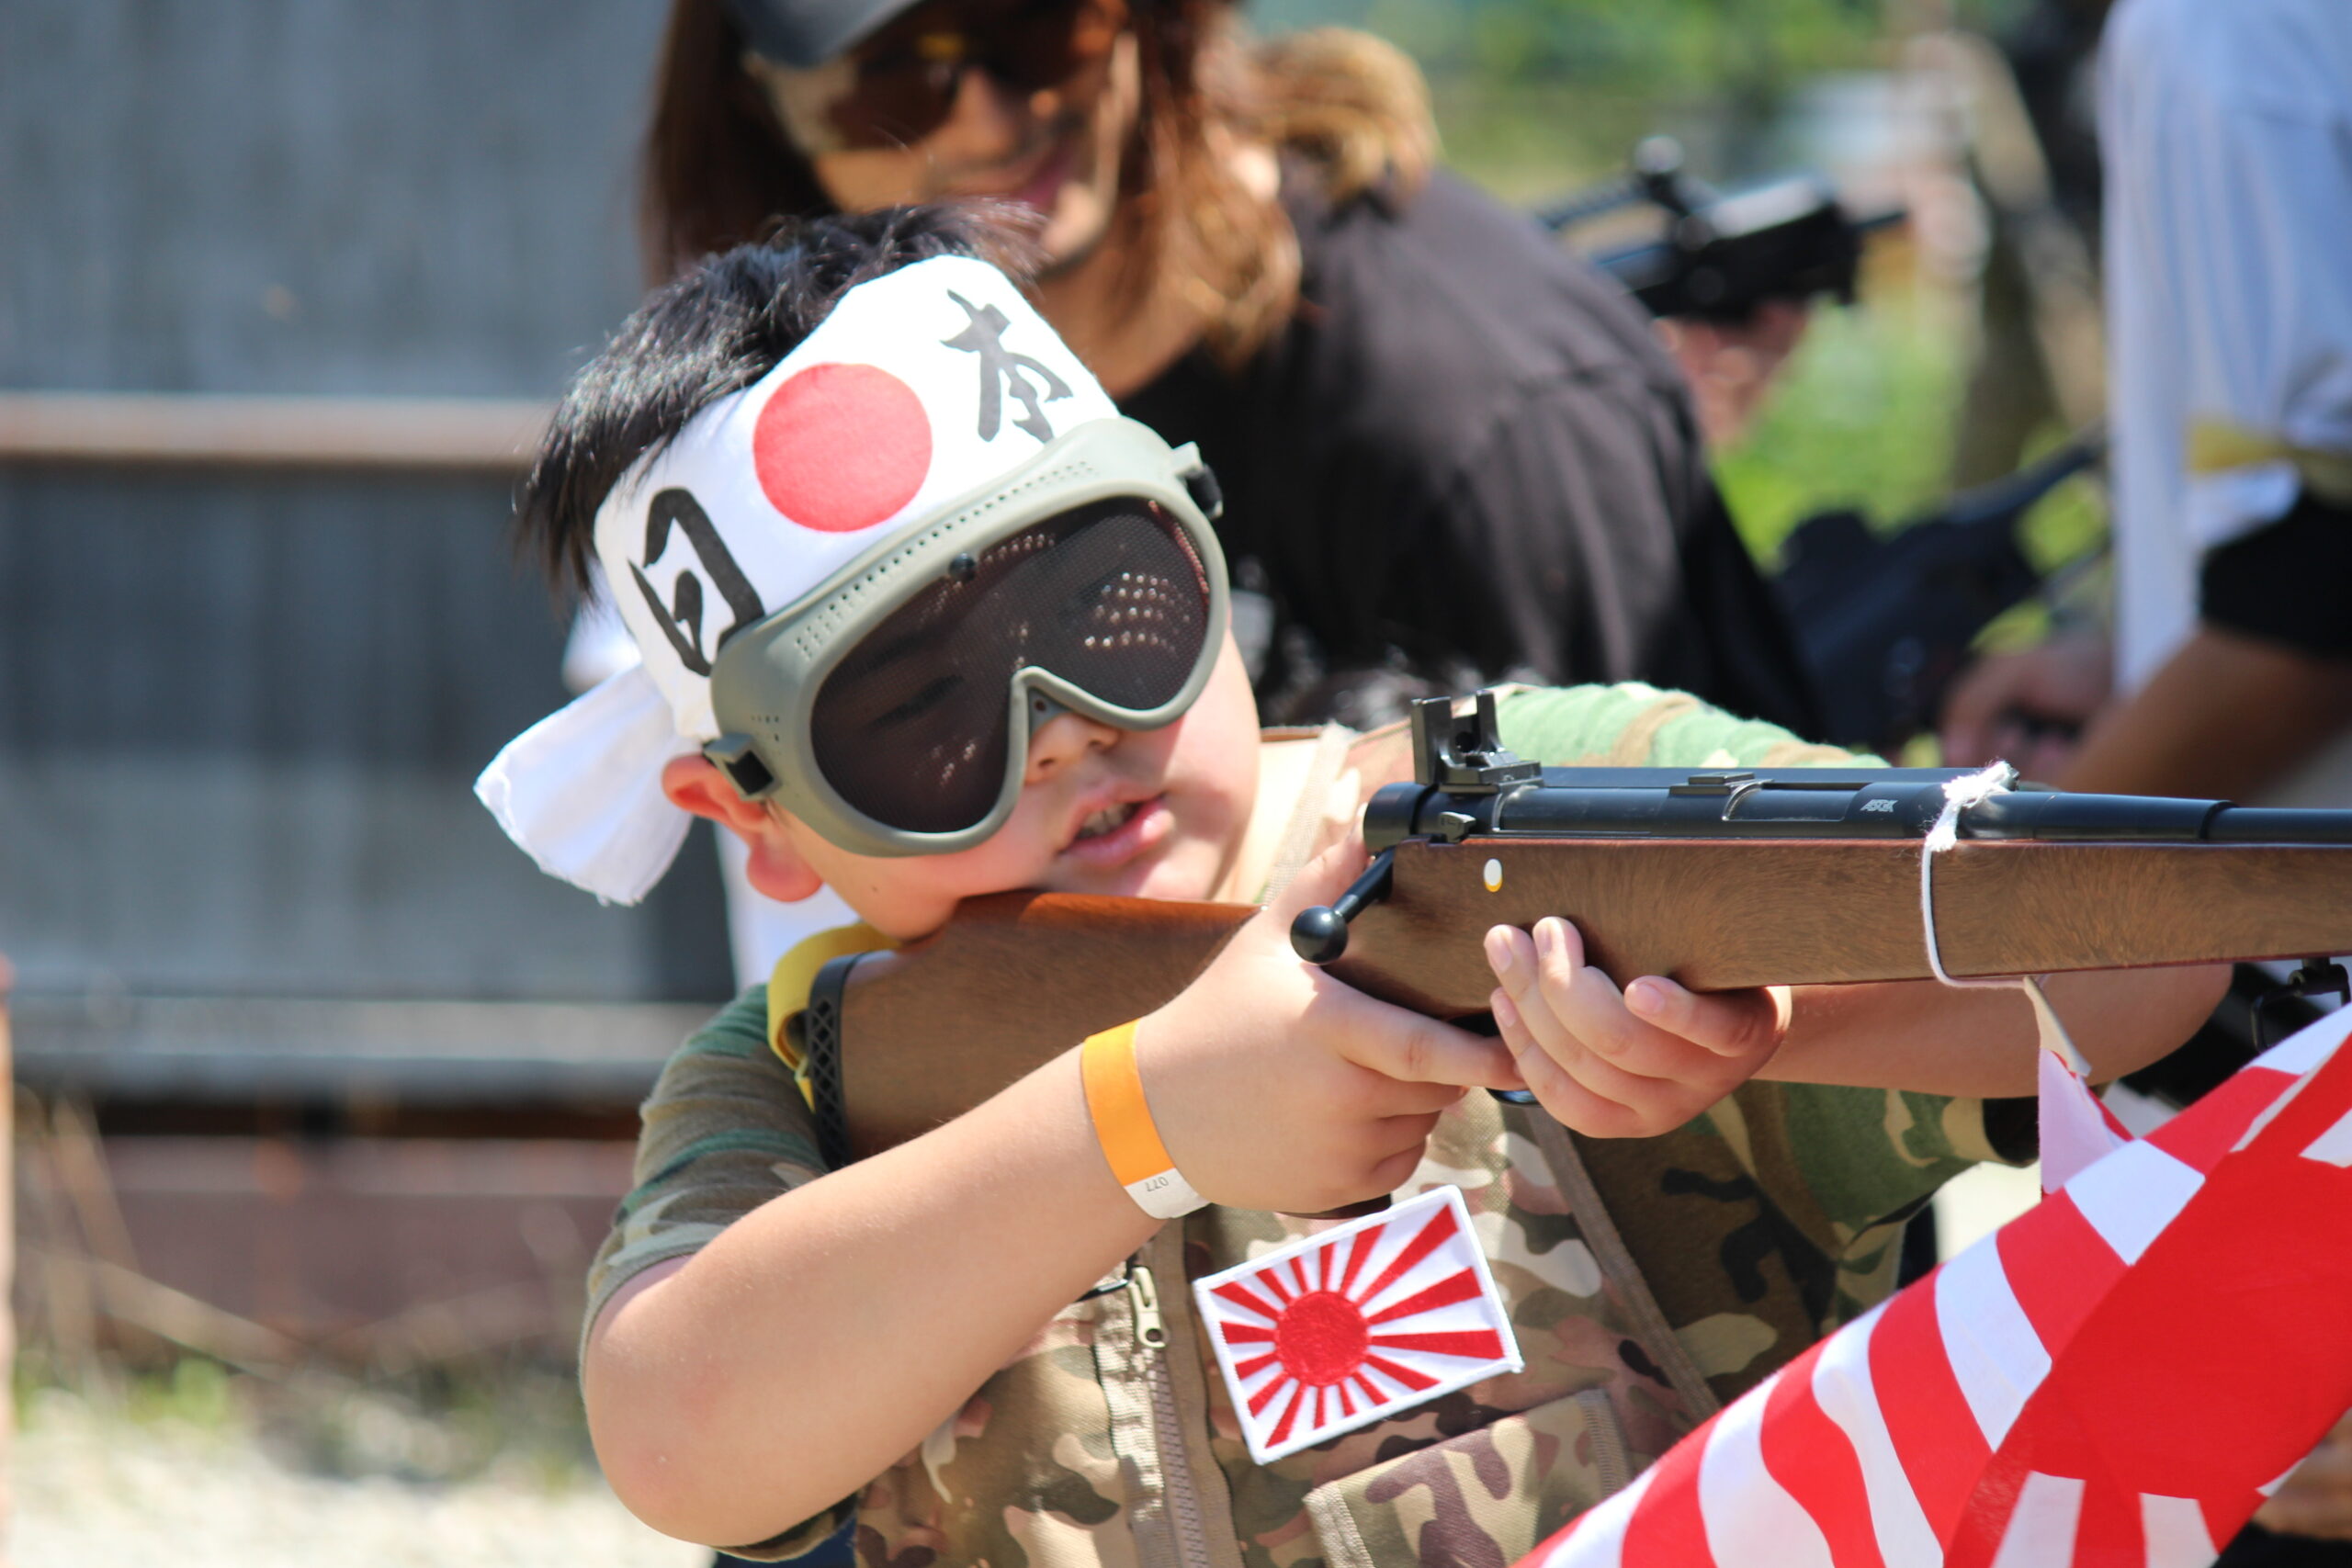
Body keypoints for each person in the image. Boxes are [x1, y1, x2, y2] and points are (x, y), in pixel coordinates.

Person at [479, 208, 2219, 1562]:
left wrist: (1749, 1018)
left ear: (1201, 543)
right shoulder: (808, 1071)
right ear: (752, 817)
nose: (1066, 731)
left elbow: (2143, 958)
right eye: (920, 715)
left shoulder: (1549, 791)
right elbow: (678, 1430)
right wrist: (1142, 1118)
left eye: (1108, 610)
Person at [640, 0, 1822, 739]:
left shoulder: (1461, 412)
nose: (989, 121)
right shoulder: (912, 404)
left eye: (1038, 21)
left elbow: (1693, 926)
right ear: (762, 106)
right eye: (889, 78)